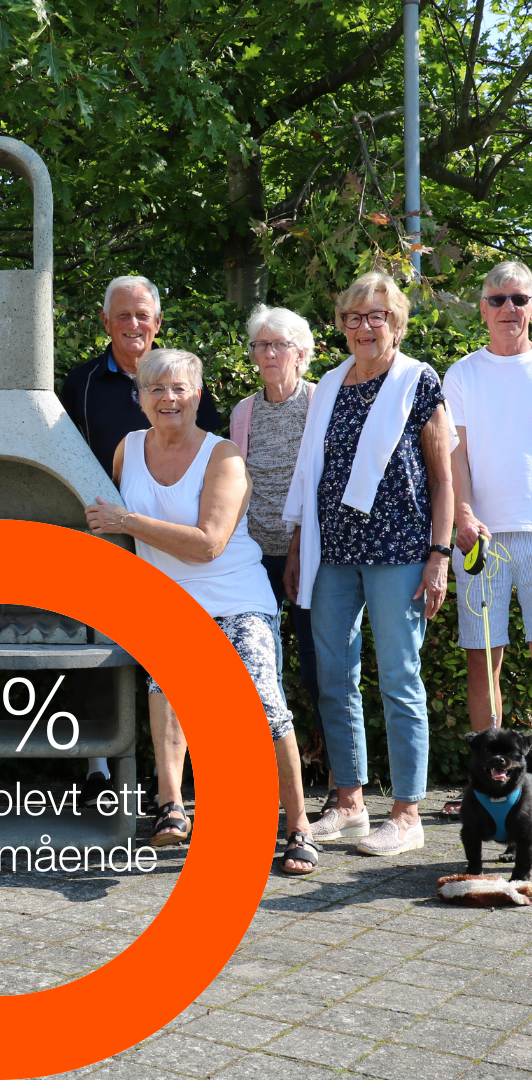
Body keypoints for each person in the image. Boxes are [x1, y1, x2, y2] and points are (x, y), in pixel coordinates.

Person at [86, 348, 318, 874]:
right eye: (157, 389)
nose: (169, 399)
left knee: (262, 703)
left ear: (198, 395)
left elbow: (209, 543)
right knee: (165, 688)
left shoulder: (225, 457)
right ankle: (172, 806)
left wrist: (126, 520)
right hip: (169, 603)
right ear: (140, 398)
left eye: (180, 389)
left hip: (235, 597)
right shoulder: (127, 450)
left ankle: (298, 824)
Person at [284, 271, 455, 856]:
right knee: (334, 678)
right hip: (332, 554)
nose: (364, 325)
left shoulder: (417, 380)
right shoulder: (329, 385)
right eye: (354, 316)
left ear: (397, 324)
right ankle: (351, 803)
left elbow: (442, 480)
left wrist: (439, 556)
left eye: (376, 316)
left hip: (401, 552)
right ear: (342, 324)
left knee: (400, 679)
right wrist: (301, 544)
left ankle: (408, 815)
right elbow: (315, 475)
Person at [60, 275, 221, 807]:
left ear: (157, 322)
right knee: (103, 651)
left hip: (173, 541)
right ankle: (99, 767)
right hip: (105, 538)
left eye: (142, 315)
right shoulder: (79, 383)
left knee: (172, 662)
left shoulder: (185, 382)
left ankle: (169, 778)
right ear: (105, 322)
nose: (133, 325)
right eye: (123, 315)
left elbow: (213, 454)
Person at [229, 305, 330, 806]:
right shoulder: (242, 412)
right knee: (256, 668)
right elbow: (235, 489)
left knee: (317, 665)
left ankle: (336, 782)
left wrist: (294, 546)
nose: (268, 353)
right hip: (251, 558)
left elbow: (319, 485)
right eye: (260, 345)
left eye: (279, 344)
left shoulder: (320, 402)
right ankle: (258, 778)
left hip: (308, 554)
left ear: (302, 353)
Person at [442, 260, 532, 817]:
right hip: (482, 537)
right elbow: (457, 456)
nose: (508, 310)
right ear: (481, 308)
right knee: (484, 659)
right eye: (497, 300)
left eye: (519, 299)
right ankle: (486, 786)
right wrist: (465, 514)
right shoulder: (463, 374)